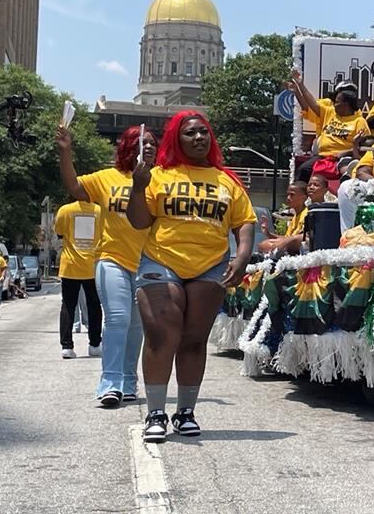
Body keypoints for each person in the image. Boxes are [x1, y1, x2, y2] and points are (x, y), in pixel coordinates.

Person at [127, 111, 256, 443]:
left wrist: (242, 256)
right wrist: (138, 188)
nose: (199, 138)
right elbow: (139, 222)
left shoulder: (227, 180)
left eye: (204, 132)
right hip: (161, 260)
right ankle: (156, 413)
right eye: (190, 133)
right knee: (162, 333)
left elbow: (244, 222)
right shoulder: (158, 175)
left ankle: (185, 412)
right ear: (176, 139)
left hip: (211, 265)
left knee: (194, 339)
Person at [57, 124, 158, 406]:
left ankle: (129, 382)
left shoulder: (161, 179)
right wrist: (65, 152)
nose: (149, 146)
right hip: (112, 260)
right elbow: (74, 186)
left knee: (137, 326)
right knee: (117, 319)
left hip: (147, 263)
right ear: (128, 147)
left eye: (152, 143)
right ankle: (110, 384)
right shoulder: (107, 178)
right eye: (142, 142)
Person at [289, 70, 370, 182]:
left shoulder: (359, 121)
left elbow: (364, 147)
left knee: (347, 172)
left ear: (346, 104)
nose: (334, 104)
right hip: (323, 155)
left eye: (337, 102)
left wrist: (345, 152)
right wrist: (300, 85)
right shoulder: (330, 112)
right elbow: (311, 103)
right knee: (303, 169)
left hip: (344, 157)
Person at [54, 200, 104, 360]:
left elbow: (59, 232)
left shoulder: (65, 210)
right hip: (92, 265)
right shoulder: (100, 211)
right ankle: (95, 344)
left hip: (70, 265)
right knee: (94, 306)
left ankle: (67, 347)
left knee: (68, 305)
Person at [258, 182, 308, 255]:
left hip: (299, 253)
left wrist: (276, 244)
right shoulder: (295, 217)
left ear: (303, 198)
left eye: (292, 195)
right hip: (289, 249)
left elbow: (296, 240)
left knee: (266, 245)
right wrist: (268, 233)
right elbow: (286, 238)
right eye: (287, 194)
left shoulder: (307, 215)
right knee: (263, 245)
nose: (288, 198)